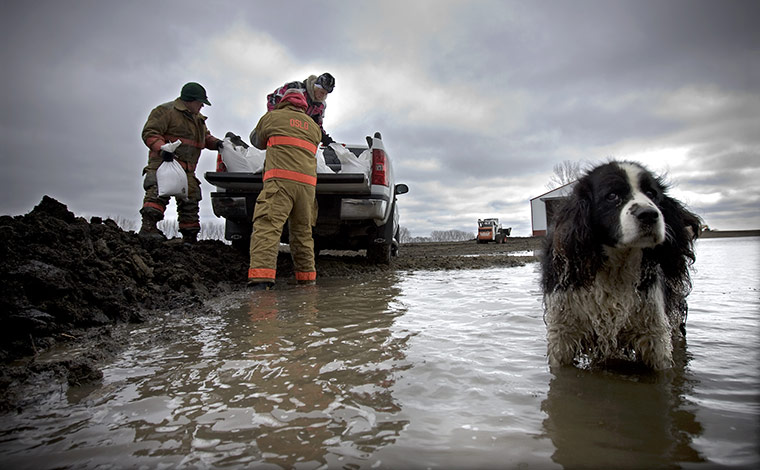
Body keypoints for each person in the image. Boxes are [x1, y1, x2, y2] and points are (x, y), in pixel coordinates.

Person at [247, 89, 322, 290]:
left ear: (283, 102)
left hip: (280, 183)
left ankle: (261, 281)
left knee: (268, 227)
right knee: (303, 233)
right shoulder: (314, 128)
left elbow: (256, 141)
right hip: (307, 188)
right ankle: (306, 281)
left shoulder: (272, 117)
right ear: (304, 106)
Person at [140, 82, 223, 243]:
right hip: (164, 164)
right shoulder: (165, 111)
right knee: (157, 195)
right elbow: (150, 133)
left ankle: (189, 237)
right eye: (200, 103)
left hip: (188, 170)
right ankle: (148, 229)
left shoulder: (198, 120)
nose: (202, 107)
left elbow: (205, 138)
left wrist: (219, 144)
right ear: (190, 101)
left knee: (191, 201)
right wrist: (162, 149)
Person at [257, 72, 335, 146]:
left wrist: (325, 139)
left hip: (297, 130)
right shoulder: (296, 88)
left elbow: (317, 125)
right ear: (315, 86)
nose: (323, 96)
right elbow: (273, 98)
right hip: (282, 121)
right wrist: (273, 117)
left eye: (326, 94)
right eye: (321, 92)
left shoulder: (320, 106)